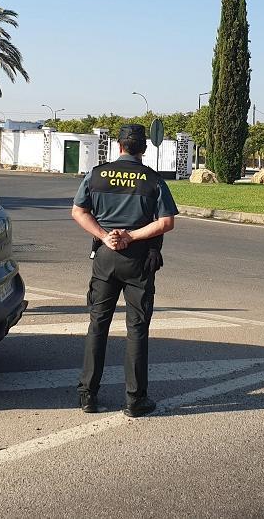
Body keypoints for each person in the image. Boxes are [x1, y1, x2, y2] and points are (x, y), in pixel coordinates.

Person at [71, 124, 178, 417]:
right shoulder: (153, 180)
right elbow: (166, 222)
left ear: (118, 146)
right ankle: (135, 400)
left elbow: (78, 211)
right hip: (139, 261)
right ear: (143, 148)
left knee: (98, 324)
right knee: (137, 328)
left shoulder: (96, 175)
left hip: (105, 256)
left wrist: (105, 235)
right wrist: (133, 236)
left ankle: (87, 396)